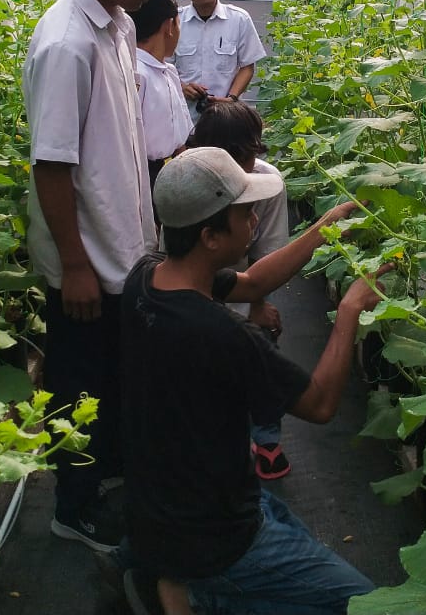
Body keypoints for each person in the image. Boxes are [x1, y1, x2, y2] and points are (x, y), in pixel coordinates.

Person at [120, 147, 385, 615]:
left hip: (166, 507)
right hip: (218, 536)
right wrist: (349, 312)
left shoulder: (144, 279)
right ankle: (191, 593)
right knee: (370, 605)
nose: (256, 223)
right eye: (246, 215)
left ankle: (172, 579)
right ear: (210, 237)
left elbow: (252, 284)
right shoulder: (226, 335)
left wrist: (322, 231)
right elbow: (321, 405)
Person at [22, 0, 180, 553]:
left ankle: (106, 485)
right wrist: (77, 265)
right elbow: (52, 166)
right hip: (85, 263)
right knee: (77, 385)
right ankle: (74, 508)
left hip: (119, 251)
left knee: (109, 384)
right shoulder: (66, 43)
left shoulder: (114, 23)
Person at [187, 99, 292, 480]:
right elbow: (174, 256)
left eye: (245, 159)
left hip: (245, 284)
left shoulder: (267, 183)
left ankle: (266, 440)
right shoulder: (183, 180)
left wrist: (258, 304)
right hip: (194, 292)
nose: (239, 171)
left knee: (261, 355)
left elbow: (268, 255)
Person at [172, 0, 266, 114]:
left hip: (224, 119)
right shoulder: (174, 22)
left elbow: (247, 66)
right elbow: (164, 66)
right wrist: (182, 88)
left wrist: (231, 98)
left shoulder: (239, 19)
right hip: (183, 116)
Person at [130, 0, 192, 188]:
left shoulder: (169, 72)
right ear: (170, 26)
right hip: (143, 176)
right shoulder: (137, 74)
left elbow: (180, 138)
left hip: (172, 171)